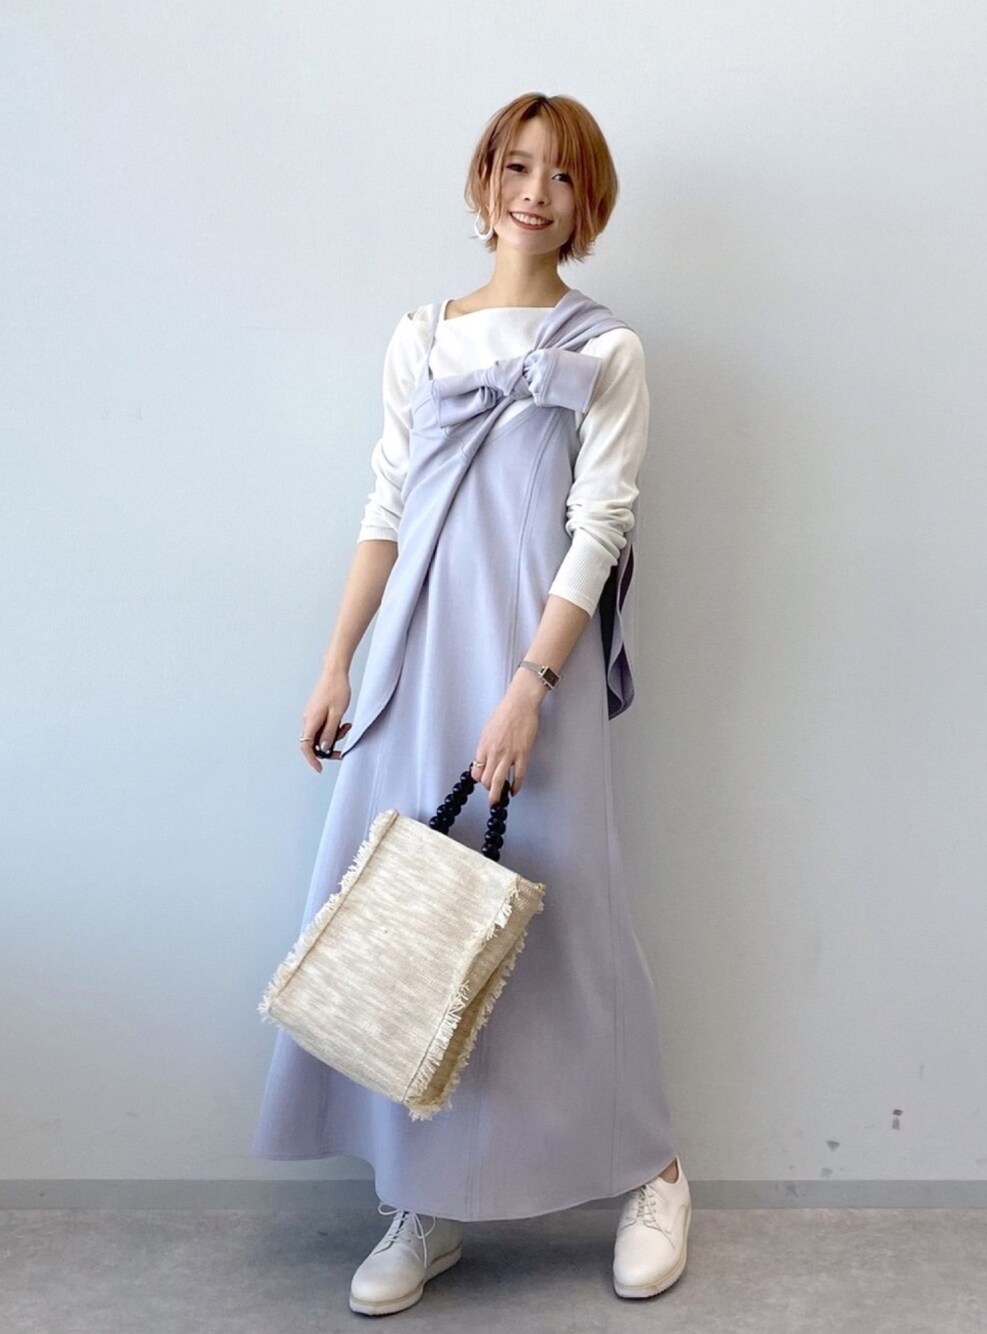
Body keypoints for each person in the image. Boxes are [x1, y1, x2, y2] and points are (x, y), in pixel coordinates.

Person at [251, 91, 692, 1314]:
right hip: (415, 662)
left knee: (568, 922)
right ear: (484, 179)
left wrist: (530, 688)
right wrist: (337, 661)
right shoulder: (420, 337)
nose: (534, 192)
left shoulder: (607, 351)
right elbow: (386, 509)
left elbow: (598, 529)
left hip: (531, 672)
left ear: (587, 199)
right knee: (414, 923)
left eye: (561, 174)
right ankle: (424, 1196)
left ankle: (653, 1169)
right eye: (515, 165)